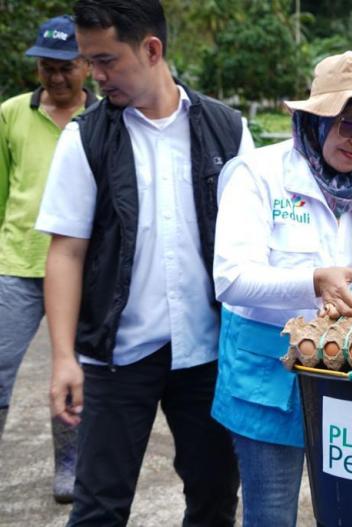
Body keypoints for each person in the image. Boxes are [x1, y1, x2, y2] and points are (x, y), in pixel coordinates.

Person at [35, 1, 254, 524]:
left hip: (207, 353)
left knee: (214, 497)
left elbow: (249, 243)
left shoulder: (228, 131)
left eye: (106, 60)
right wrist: (65, 357)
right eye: (90, 62)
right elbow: (66, 251)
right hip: (118, 352)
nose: (96, 75)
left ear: (151, 49)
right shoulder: (85, 138)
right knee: (98, 507)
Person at [211, 50, 352, 526]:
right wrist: (313, 282)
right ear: (317, 117)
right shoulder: (257, 175)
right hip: (267, 379)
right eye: (348, 124)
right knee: (272, 514)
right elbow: (231, 278)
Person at [0, 15, 95, 503]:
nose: (56, 78)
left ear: (85, 64)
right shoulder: (11, 113)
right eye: (46, 67)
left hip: (78, 271)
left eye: (66, 67)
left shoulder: (100, 118)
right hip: (16, 263)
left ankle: (69, 462)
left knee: (72, 367)